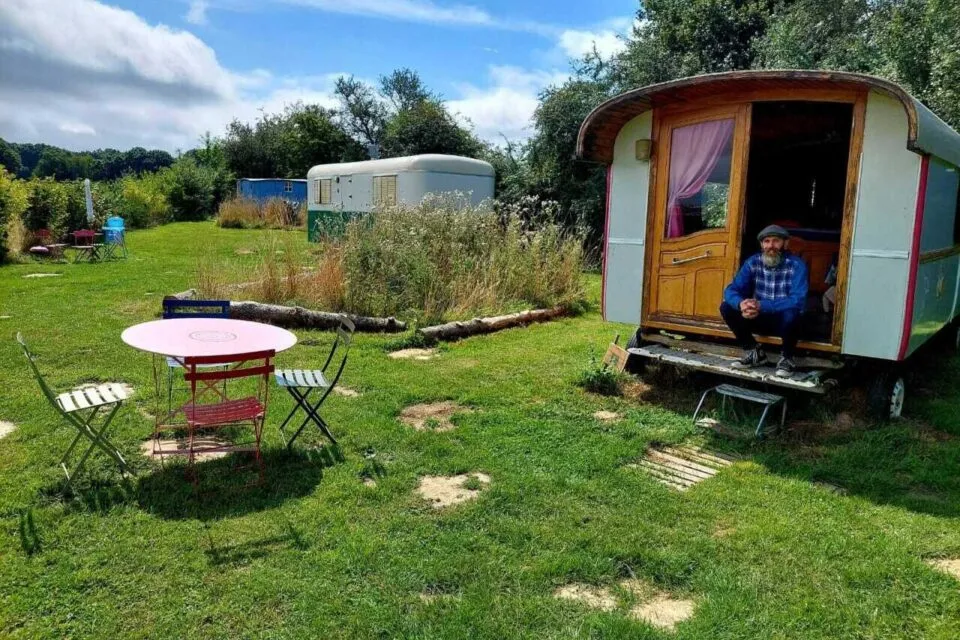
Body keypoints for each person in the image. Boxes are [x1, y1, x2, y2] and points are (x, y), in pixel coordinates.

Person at [719, 224, 808, 377]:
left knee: (792, 313)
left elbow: (798, 299)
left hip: (785, 322)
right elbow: (731, 289)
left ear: (785, 243)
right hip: (759, 317)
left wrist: (761, 305)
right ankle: (754, 352)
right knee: (727, 307)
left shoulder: (797, 265)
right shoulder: (753, 262)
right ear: (761, 244)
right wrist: (742, 304)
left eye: (776, 241)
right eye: (766, 241)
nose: (770, 246)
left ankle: (787, 358)